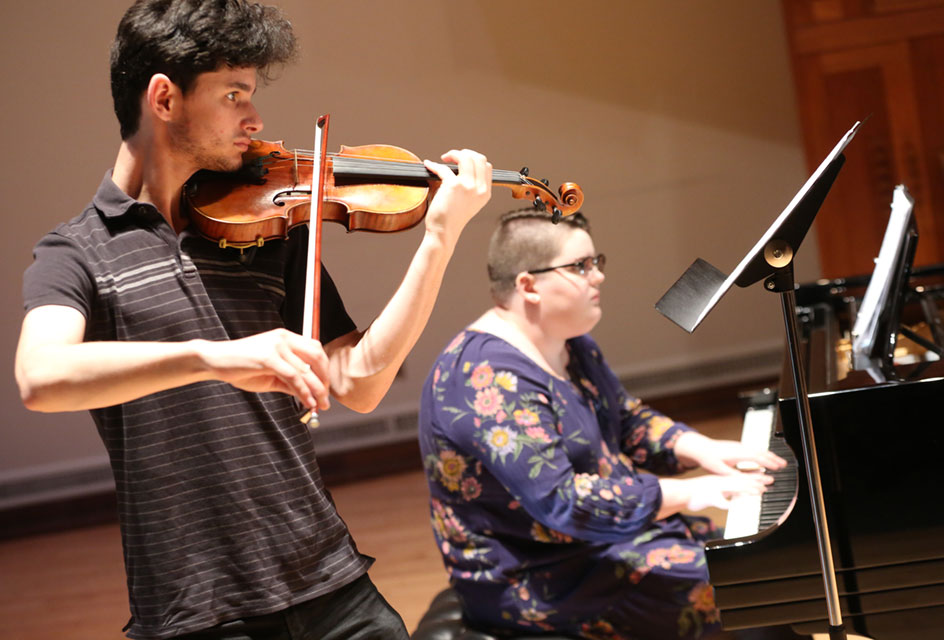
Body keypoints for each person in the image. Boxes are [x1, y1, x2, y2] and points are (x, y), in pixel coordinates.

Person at [14, 1, 491, 638]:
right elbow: (41, 378)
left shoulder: (267, 233)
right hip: (196, 610)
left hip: (332, 586)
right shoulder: (77, 252)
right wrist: (216, 356)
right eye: (234, 94)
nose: (256, 119)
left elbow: (362, 383)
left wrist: (438, 239)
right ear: (164, 98)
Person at [418, 210, 786, 639]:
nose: (598, 277)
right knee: (742, 591)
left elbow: (624, 418)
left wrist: (700, 447)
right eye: (580, 266)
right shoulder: (487, 377)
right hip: (539, 575)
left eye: (596, 263)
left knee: (763, 564)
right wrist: (691, 492)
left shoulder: (569, 342)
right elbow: (563, 502)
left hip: (599, 543)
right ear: (528, 285)